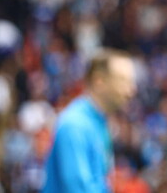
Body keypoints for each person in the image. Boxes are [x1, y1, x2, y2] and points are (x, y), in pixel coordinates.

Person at [42, 49, 137, 193]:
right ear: (99, 81)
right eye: (123, 80)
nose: (131, 90)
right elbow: (78, 188)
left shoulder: (98, 122)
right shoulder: (75, 125)